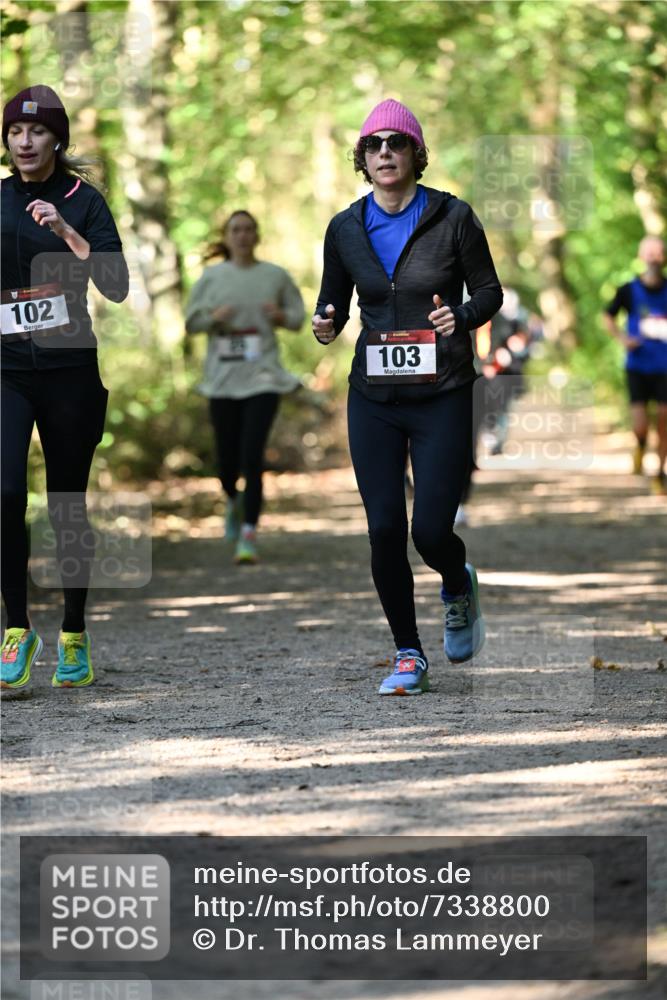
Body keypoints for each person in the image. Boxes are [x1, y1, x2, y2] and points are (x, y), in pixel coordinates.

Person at [312, 99, 503, 696]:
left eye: (397, 144)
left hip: (443, 392)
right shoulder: (345, 227)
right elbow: (334, 305)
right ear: (363, 161)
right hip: (374, 395)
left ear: (416, 155)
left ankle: (455, 583)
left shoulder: (453, 217)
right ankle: (407, 654)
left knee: (430, 532)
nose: (385, 153)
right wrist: (324, 323)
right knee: (384, 529)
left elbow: (490, 291)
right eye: (374, 146)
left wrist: (463, 316)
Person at [1, 85, 129, 690]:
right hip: (6, 371)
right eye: (15, 132)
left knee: (66, 504)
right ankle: (17, 628)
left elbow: (118, 285)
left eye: (37, 132)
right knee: (4, 494)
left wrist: (67, 234)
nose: (24, 142)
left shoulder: (84, 202)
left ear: (58, 139)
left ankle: (73, 631)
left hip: (69, 369)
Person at [184, 210, 305, 563]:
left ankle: (248, 535)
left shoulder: (275, 276)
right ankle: (233, 502)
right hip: (221, 381)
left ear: (257, 235)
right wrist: (212, 318)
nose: (243, 235)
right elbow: (191, 323)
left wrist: (281, 317)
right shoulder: (211, 277)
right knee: (226, 464)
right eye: (236, 230)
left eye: (249, 229)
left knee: (252, 459)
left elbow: (299, 318)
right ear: (226, 236)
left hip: (263, 377)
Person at [603, 235, 667, 495]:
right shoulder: (628, 289)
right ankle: (640, 444)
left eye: (658, 253)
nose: (653, 258)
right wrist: (623, 339)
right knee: (641, 424)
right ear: (641, 257)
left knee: (664, 420)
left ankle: (659, 474)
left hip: (664, 366)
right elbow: (608, 316)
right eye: (649, 253)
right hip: (638, 366)